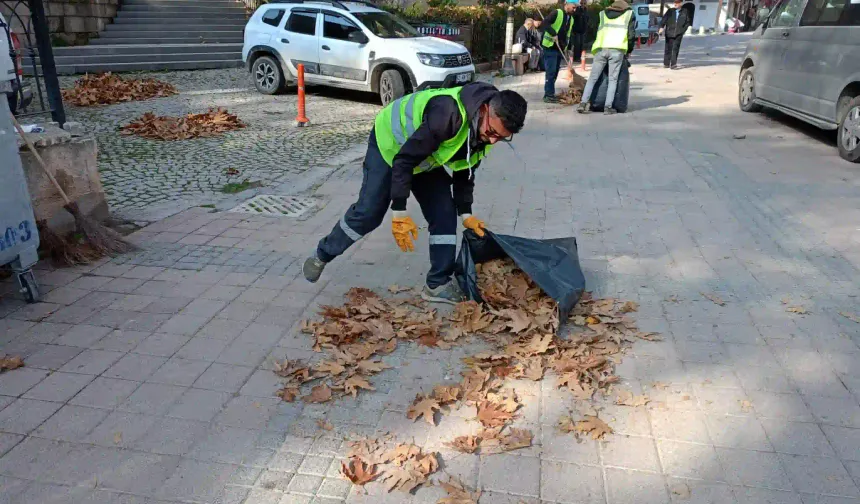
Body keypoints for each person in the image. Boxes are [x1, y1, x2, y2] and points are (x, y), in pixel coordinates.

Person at [302, 83, 528, 304]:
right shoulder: (447, 114)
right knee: (369, 213)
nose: (492, 140)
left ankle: (437, 284)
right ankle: (322, 254)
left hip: (425, 156)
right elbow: (404, 160)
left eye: (501, 138)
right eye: (492, 133)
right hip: (392, 145)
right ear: (485, 109)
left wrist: (465, 213)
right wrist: (399, 210)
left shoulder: (485, 131)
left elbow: (465, 170)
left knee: (444, 213)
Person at [577, 0, 635, 115]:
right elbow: (631, 35)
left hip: (601, 49)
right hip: (617, 50)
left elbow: (592, 31)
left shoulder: (602, 14)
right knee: (613, 79)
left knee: (592, 78)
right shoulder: (628, 15)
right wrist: (629, 50)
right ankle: (608, 108)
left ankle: (583, 103)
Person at [540, 0, 577, 103]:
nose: (575, 9)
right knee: (551, 71)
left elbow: (568, 34)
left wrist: (569, 48)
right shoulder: (557, 13)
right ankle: (548, 95)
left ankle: (550, 93)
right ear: (567, 4)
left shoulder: (571, 19)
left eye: (575, 7)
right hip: (550, 46)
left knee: (555, 71)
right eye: (573, 7)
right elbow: (544, 23)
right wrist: (553, 33)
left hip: (560, 48)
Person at [659, 0, 693, 69]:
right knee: (668, 48)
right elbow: (664, 19)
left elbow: (688, 22)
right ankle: (666, 63)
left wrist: (682, 31)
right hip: (669, 32)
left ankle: (673, 64)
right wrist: (661, 27)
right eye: (675, 2)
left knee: (675, 48)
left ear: (681, 3)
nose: (675, 4)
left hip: (678, 33)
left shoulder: (685, 11)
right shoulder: (670, 11)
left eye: (677, 3)